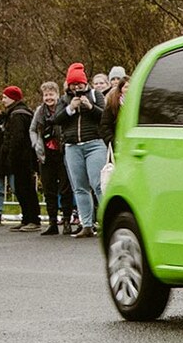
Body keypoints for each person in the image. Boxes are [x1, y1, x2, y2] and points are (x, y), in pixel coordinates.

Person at [54, 62, 107, 239]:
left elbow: (104, 116)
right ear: (68, 85)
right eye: (73, 84)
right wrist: (71, 108)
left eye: (80, 84)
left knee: (98, 184)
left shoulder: (95, 95)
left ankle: (107, 222)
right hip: (72, 146)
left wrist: (89, 107)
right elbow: (57, 119)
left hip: (94, 143)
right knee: (79, 187)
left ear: (85, 83)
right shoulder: (64, 100)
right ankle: (86, 225)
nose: (77, 87)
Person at [32, 82, 75, 236]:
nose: (48, 98)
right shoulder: (40, 111)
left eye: (51, 94)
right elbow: (33, 129)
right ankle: (52, 222)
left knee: (65, 188)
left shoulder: (64, 108)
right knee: (49, 189)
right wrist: (36, 144)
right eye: (46, 95)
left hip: (63, 152)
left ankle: (67, 221)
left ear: (57, 95)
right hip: (46, 154)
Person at [0, 86, 40, 232]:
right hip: (23, 157)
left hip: (22, 158)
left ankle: (33, 219)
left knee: (25, 188)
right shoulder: (17, 113)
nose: (3, 100)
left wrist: (10, 155)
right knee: (22, 188)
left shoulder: (17, 115)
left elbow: (17, 138)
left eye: (5, 97)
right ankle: (27, 218)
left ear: (13, 98)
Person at [100, 75, 129, 147]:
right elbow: (105, 125)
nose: (129, 89)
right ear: (120, 89)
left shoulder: (140, 104)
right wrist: (113, 141)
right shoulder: (113, 104)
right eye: (126, 87)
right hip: (118, 144)